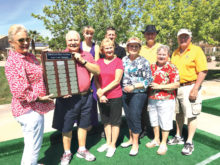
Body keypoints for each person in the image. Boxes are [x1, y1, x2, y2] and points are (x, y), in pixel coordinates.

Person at [5, 24, 54, 165]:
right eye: (21, 40)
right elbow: (19, 91)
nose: (26, 42)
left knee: (31, 144)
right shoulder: (14, 61)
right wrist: (40, 97)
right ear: (11, 42)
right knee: (33, 147)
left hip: (34, 108)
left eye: (27, 39)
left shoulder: (29, 56)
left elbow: (39, 74)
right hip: (28, 110)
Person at [52, 30, 100, 164]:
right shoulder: (60, 56)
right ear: (66, 41)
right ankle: (67, 153)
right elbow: (53, 76)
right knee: (66, 127)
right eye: (70, 40)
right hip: (67, 99)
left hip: (85, 97)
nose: (73, 42)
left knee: (83, 125)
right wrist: (60, 90)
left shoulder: (86, 55)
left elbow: (97, 71)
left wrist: (82, 60)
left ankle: (82, 149)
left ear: (80, 41)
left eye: (75, 40)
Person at [169, 28, 208, 155]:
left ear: (190, 38)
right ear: (177, 38)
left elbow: (203, 70)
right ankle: (178, 136)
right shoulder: (174, 53)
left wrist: (195, 88)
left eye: (186, 36)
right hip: (177, 87)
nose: (183, 39)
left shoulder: (196, 50)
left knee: (191, 115)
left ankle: (189, 142)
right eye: (181, 37)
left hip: (190, 87)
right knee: (178, 114)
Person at [145, 45, 180, 155]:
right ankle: (156, 139)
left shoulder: (172, 68)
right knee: (154, 119)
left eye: (164, 54)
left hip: (166, 99)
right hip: (152, 98)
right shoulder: (151, 67)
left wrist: (160, 86)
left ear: (168, 56)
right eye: (159, 54)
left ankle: (163, 143)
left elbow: (176, 84)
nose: (161, 56)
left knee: (165, 120)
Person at [121, 37, 152, 156]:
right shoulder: (123, 60)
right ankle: (130, 139)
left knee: (135, 116)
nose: (133, 48)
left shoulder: (144, 61)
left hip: (138, 93)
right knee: (128, 116)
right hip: (125, 93)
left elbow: (148, 79)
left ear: (139, 48)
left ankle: (135, 143)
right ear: (127, 47)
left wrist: (134, 86)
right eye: (131, 46)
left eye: (136, 46)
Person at [94, 38, 124, 157]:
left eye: (111, 47)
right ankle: (107, 142)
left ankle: (112, 145)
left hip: (115, 95)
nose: (109, 50)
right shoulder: (99, 62)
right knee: (106, 121)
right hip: (102, 97)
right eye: (107, 48)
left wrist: (102, 92)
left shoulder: (118, 61)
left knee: (115, 122)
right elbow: (96, 79)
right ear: (102, 50)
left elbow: (117, 80)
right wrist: (101, 94)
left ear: (114, 48)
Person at [139, 25, 162, 138]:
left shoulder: (161, 47)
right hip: (143, 82)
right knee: (143, 108)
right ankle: (143, 129)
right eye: (148, 33)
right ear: (144, 35)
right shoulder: (141, 48)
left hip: (157, 83)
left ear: (156, 35)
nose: (150, 35)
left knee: (157, 107)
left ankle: (158, 130)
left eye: (152, 33)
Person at [80, 26, 100, 134]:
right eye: (87, 33)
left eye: (91, 33)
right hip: (80, 76)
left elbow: (95, 63)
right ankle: (81, 124)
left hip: (92, 77)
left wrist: (90, 77)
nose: (89, 35)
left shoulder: (95, 47)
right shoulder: (78, 44)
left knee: (92, 101)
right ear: (83, 33)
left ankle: (92, 125)